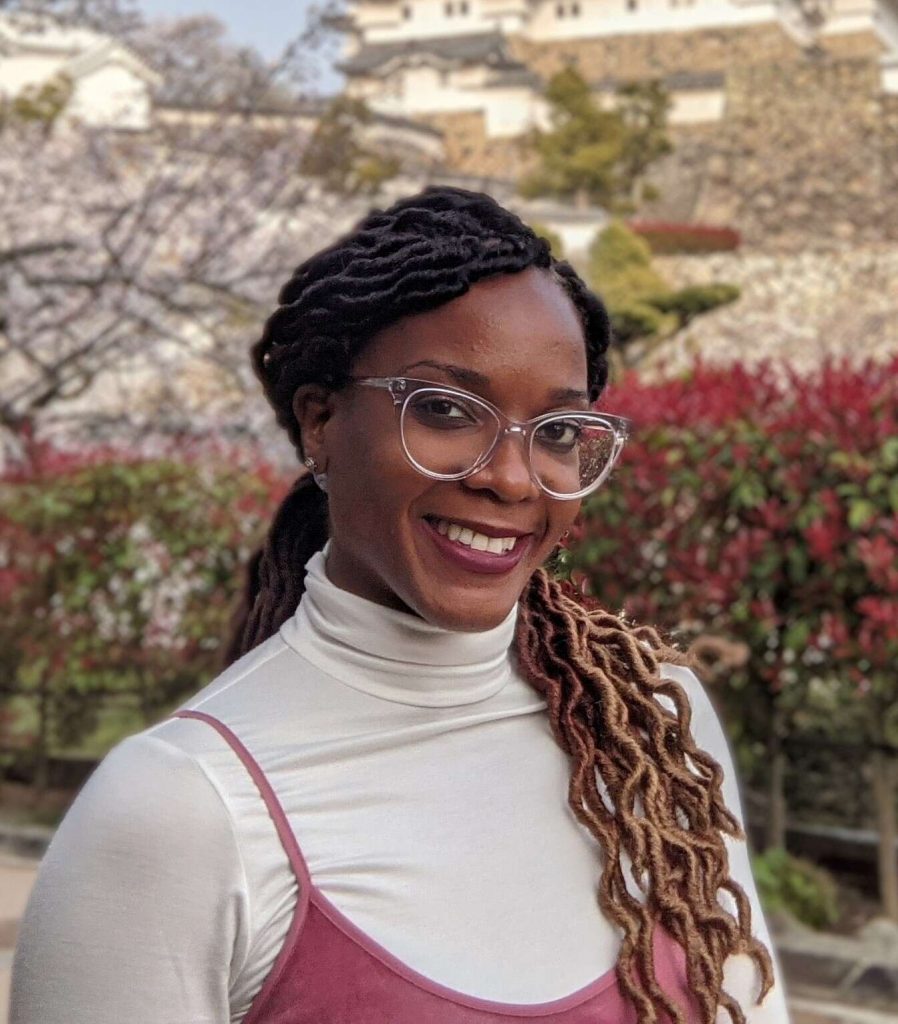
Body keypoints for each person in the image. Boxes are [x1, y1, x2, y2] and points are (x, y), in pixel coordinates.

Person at [11, 186, 790, 1023]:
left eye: (559, 431)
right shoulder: (178, 814)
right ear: (320, 422)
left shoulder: (652, 727)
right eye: (447, 411)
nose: (512, 476)